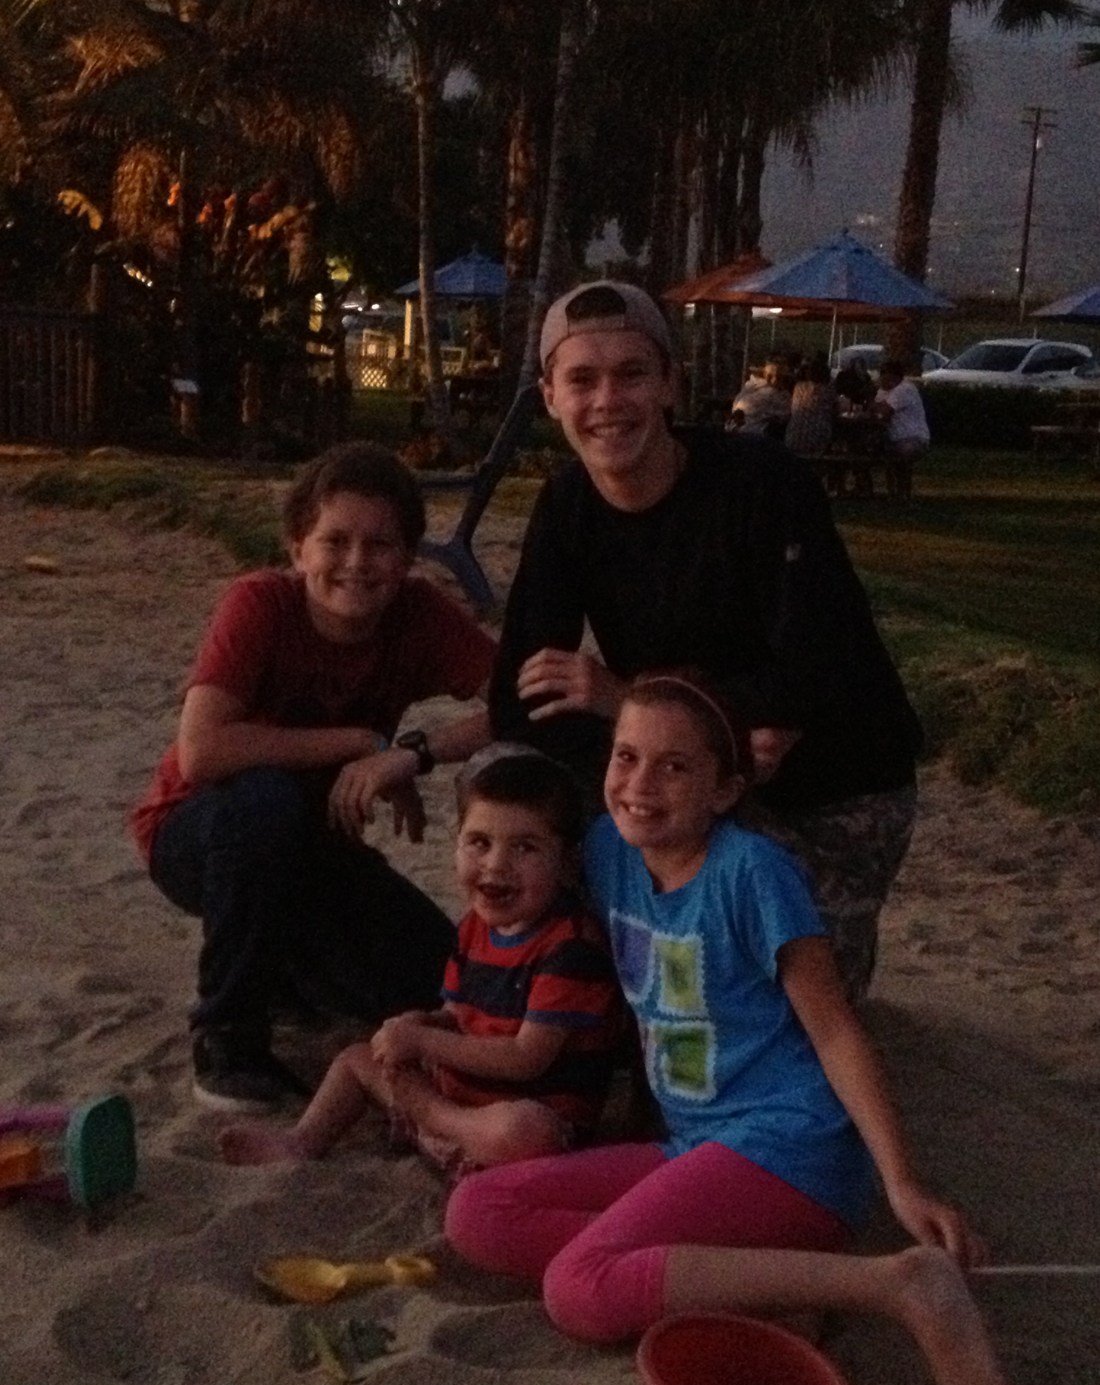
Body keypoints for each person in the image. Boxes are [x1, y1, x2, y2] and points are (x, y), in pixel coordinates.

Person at [446, 674, 1014, 1385]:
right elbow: (515, 866)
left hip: (791, 1149)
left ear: (725, 789)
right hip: (695, 1146)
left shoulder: (753, 872)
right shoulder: (607, 852)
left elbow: (837, 1032)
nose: (640, 784)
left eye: (675, 766)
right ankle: (761, 1287)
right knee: (479, 1211)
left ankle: (897, 1283)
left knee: (578, 1289)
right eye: (625, 757)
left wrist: (902, 1181)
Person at [488, 279, 922, 1002]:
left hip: (828, 785)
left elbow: (820, 674)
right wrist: (670, 753)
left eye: (631, 374)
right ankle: (568, 990)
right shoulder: (567, 505)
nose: (607, 402)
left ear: (669, 385)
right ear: (550, 395)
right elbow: (519, 699)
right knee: (509, 778)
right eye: (582, 379)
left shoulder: (763, 486)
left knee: (798, 1019)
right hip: (692, 772)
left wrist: (629, 703)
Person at [131, 442, 496, 1111]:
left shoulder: (418, 615)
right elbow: (201, 754)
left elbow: (517, 707)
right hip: (199, 833)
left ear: (410, 555)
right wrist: (361, 740)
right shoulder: (260, 606)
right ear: (298, 548)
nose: (357, 562)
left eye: (381, 544)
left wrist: (412, 753)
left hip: (319, 845)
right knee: (266, 804)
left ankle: (289, 974)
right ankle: (227, 1039)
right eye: (335, 541)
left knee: (444, 982)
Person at [218, 749, 623, 1170]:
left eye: (525, 848)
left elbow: (526, 1058)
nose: (496, 865)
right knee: (358, 1059)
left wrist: (425, 1044)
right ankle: (302, 1141)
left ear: (567, 861)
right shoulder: (474, 928)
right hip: (463, 1098)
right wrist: (420, 1024)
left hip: (532, 1114)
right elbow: (456, 1015)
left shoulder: (572, 947)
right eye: (479, 843)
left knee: (524, 1131)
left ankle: (433, 1125)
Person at [873, 359, 931, 500]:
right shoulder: (883, 391)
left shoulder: (905, 389)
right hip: (893, 438)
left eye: (886, 376)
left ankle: (903, 492)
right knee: (867, 448)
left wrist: (872, 404)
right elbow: (877, 410)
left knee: (903, 453)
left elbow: (885, 411)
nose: (882, 379)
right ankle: (891, 492)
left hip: (913, 438)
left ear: (895, 377)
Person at [784, 356, 838, 456]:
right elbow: (835, 411)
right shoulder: (828, 391)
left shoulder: (798, 387)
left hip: (792, 438)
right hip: (817, 440)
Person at [731, 358, 792, 438]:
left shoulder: (783, 395)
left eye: (779, 377)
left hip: (747, 432)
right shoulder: (752, 386)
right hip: (752, 433)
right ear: (764, 374)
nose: (774, 380)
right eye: (770, 376)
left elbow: (784, 414)